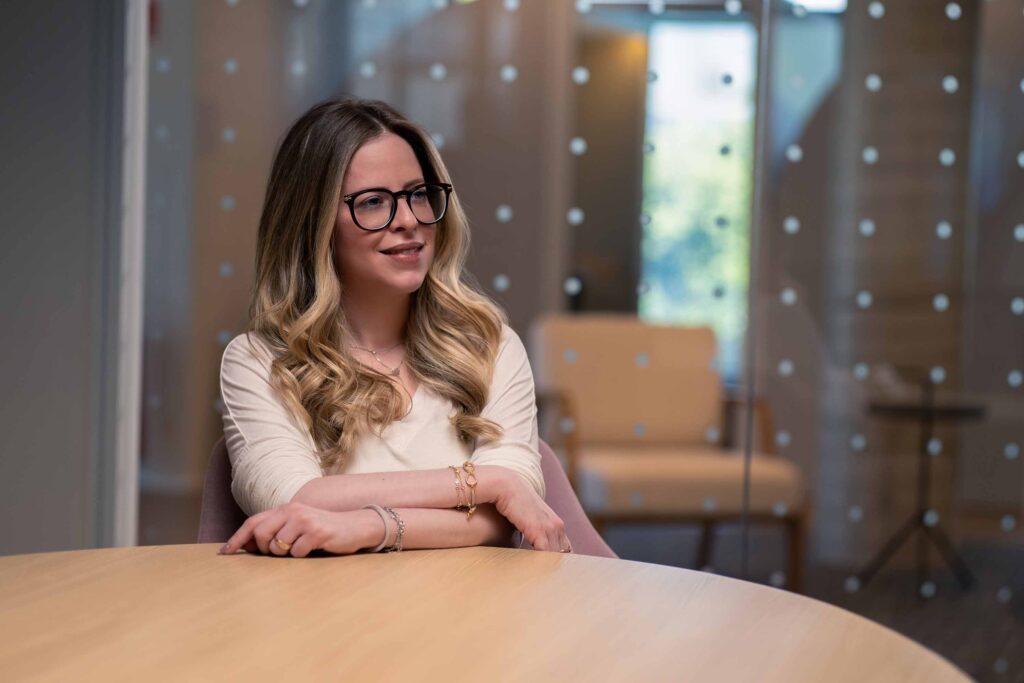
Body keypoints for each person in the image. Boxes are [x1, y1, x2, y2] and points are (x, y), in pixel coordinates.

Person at [217, 98, 570, 558]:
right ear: (313, 223)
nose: (408, 221)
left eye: (419, 194)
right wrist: (487, 483)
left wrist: (367, 526)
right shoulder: (257, 361)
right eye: (373, 202)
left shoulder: (489, 346)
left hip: (477, 613)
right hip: (323, 619)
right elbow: (295, 500)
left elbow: (505, 520)